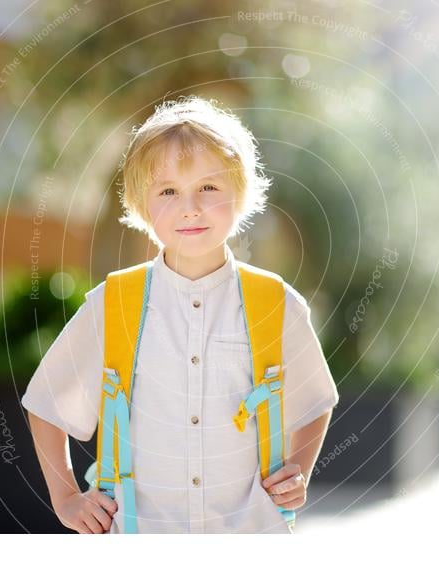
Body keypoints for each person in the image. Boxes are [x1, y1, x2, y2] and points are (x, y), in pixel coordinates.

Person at [21, 96, 339, 533]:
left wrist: (297, 472)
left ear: (240, 194)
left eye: (208, 187)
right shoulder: (113, 303)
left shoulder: (276, 303)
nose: (190, 207)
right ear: (142, 205)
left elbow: (315, 401)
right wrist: (66, 498)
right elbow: (47, 405)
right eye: (168, 190)